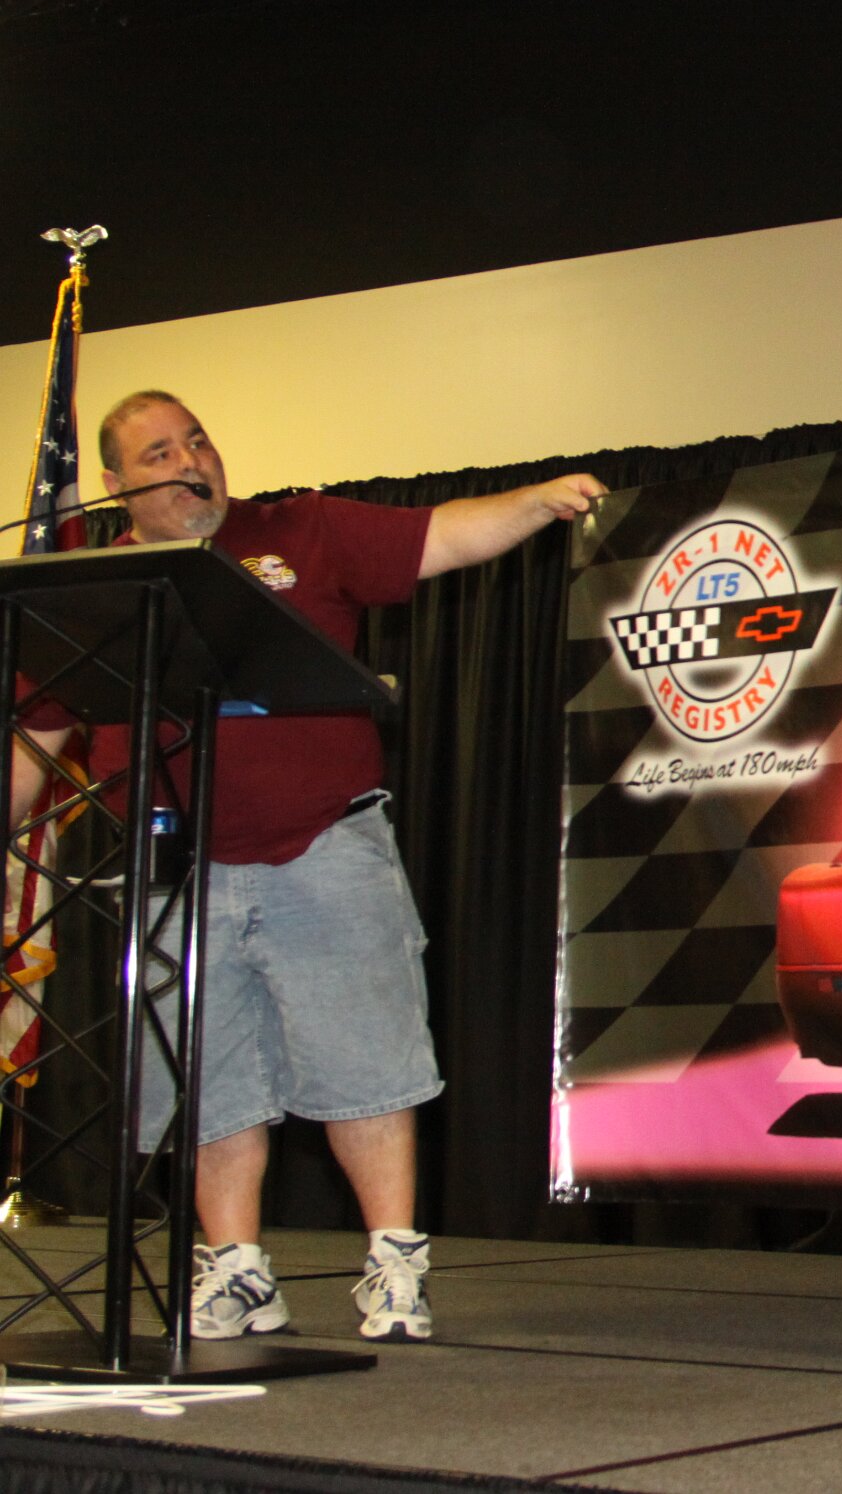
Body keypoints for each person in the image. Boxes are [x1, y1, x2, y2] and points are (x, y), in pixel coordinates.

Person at [10, 391, 604, 1344]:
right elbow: (31, 746)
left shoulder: (301, 531)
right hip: (174, 871)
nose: (191, 460)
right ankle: (237, 1269)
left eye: (199, 440)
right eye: (160, 454)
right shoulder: (95, 591)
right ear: (115, 485)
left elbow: (442, 536)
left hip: (325, 846)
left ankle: (395, 1265)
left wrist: (535, 501)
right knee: (208, 1081)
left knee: (367, 1062)